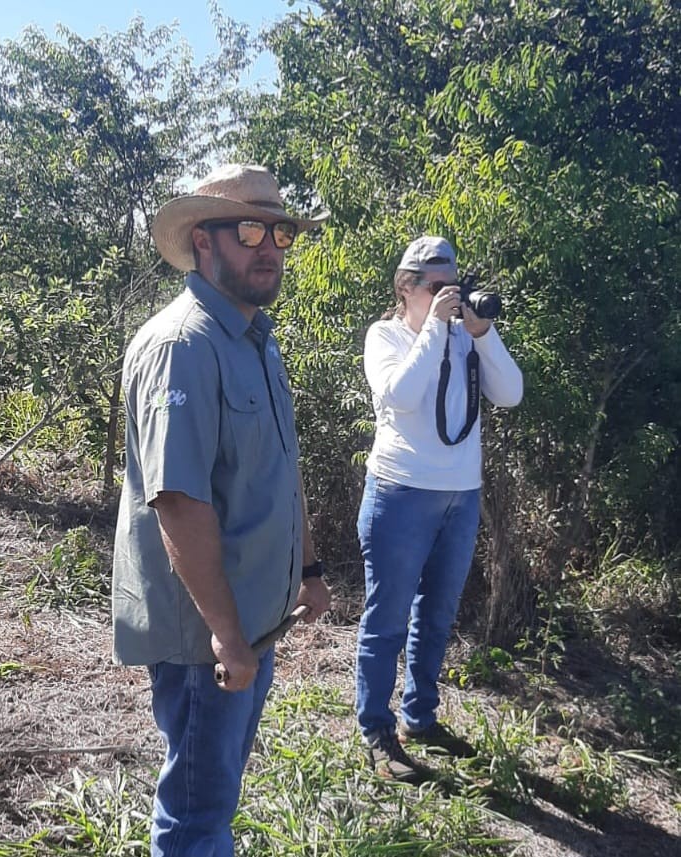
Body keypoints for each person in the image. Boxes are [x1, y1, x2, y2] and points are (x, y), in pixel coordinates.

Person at [111, 164, 332, 856]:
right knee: (197, 812)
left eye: (279, 231)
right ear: (203, 241)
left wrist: (311, 565)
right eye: (247, 228)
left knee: (216, 793)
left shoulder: (257, 340)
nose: (268, 245)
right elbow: (178, 503)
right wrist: (229, 637)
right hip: (207, 636)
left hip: (253, 620)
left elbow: (282, 465)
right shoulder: (183, 347)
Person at [355, 235, 523, 783]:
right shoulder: (386, 336)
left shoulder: (467, 338)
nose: (449, 294)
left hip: (461, 495)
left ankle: (419, 718)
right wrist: (433, 330)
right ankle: (376, 729)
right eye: (435, 285)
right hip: (400, 492)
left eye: (456, 283)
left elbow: (511, 393)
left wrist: (483, 333)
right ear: (407, 288)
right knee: (386, 621)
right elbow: (399, 395)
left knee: (437, 615)